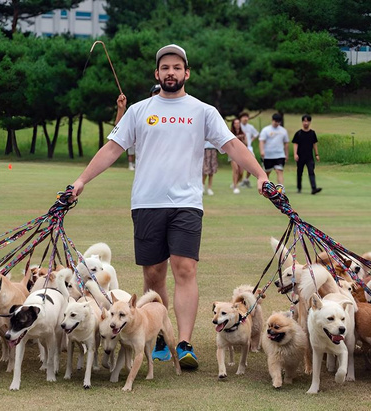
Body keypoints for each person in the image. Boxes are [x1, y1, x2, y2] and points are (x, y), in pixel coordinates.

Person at [69, 44, 268, 370]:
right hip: (146, 202)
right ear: (157, 74)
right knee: (154, 273)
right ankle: (160, 334)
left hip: (187, 203)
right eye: (165, 68)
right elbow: (111, 148)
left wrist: (260, 174)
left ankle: (186, 342)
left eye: (177, 67)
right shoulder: (138, 110)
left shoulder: (203, 111)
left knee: (185, 269)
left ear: (186, 73)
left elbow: (232, 145)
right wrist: (80, 181)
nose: (171, 72)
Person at [118, 85, 161, 171]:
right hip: (145, 168)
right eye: (155, 92)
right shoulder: (141, 111)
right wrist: (121, 109)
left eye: (160, 92)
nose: (158, 95)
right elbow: (119, 129)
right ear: (151, 95)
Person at [292, 114, 322, 195]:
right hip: (300, 156)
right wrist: (295, 154)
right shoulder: (298, 133)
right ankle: (299, 188)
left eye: (307, 121)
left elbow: (314, 144)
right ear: (302, 122)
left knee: (311, 172)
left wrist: (316, 154)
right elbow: (295, 144)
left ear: (310, 122)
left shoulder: (312, 133)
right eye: (304, 121)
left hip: (309, 157)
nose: (306, 123)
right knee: (299, 172)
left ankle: (314, 188)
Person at [259, 113, 289, 186]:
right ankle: (266, 187)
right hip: (268, 155)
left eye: (278, 122)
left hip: (279, 155)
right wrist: (262, 151)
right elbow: (261, 141)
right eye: (275, 121)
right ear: (272, 120)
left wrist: (286, 154)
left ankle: (281, 188)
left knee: (279, 171)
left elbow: (286, 143)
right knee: (267, 172)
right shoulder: (266, 130)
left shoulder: (283, 131)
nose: (277, 123)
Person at [239, 112, 259, 188]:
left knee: (251, 164)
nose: (246, 118)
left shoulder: (250, 127)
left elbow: (256, 134)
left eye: (247, 117)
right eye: (244, 117)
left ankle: (246, 179)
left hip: (249, 148)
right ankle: (237, 182)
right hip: (239, 148)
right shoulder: (238, 126)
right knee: (239, 168)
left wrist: (251, 140)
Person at [229, 118, 246, 194]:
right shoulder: (230, 133)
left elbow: (246, 143)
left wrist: (243, 138)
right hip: (233, 153)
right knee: (235, 170)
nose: (237, 125)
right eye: (235, 123)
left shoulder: (243, 133)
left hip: (241, 153)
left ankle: (235, 182)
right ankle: (235, 186)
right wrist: (237, 138)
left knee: (241, 172)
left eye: (238, 123)